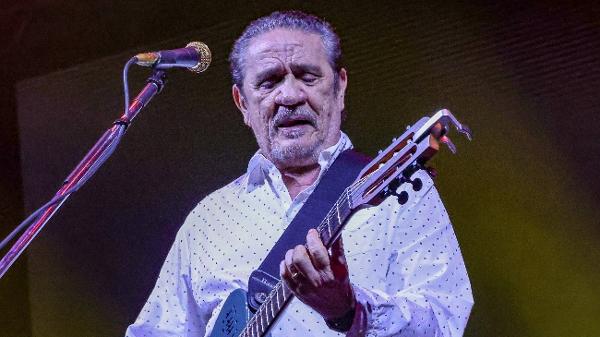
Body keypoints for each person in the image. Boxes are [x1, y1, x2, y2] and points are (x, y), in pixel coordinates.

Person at [126, 10, 473, 337]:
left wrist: (350, 311)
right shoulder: (207, 219)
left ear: (340, 88)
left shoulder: (404, 194)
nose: (290, 95)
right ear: (242, 103)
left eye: (307, 76)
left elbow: (445, 320)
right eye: (268, 82)